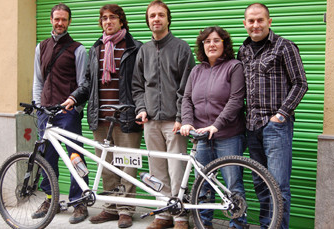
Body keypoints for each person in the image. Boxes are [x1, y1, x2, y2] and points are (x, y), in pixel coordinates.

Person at [237, 3, 308, 229]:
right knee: (260, 183)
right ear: (245, 24)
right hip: (251, 127)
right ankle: (268, 225)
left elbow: (300, 84)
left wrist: (281, 115)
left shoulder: (284, 47)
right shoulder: (243, 50)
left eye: (260, 20)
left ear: (269, 21)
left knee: (278, 186)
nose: (255, 25)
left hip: (275, 127)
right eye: (251, 21)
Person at [132, 1, 195, 228]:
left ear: (168, 19)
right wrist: (141, 109)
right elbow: (138, 85)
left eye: (160, 15)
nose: (156, 19)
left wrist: (180, 116)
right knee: (156, 169)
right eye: (152, 16)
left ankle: (180, 216)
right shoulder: (144, 51)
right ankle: (163, 213)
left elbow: (187, 87)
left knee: (176, 170)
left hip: (174, 122)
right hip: (150, 122)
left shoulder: (181, 48)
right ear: (148, 21)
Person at [180, 26, 246, 229]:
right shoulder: (196, 70)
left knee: (232, 185)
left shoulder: (234, 67)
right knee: (202, 184)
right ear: (202, 45)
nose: (212, 44)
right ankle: (203, 223)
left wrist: (216, 125)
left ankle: (238, 224)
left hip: (228, 136)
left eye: (216, 40)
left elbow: (236, 99)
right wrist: (187, 121)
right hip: (201, 137)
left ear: (224, 44)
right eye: (207, 41)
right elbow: (187, 98)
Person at [31, 3, 90, 224]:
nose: (60, 23)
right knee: (47, 157)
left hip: (68, 112)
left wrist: (76, 109)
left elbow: (83, 82)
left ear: (69, 22)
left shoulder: (78, 49)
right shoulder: (41, 47)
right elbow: (38, 79)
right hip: (46, 112)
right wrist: (38, 106)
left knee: (75, 156)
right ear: (51, 20)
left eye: (64, 19)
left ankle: (79, 201)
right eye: (56, 19)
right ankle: (50, 199)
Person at [86, 4, 143, 228]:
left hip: (126, 117)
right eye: (104, 18)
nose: (108, 22)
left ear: (121, 21)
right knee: (106, 164)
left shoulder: (135, 47)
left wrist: (140, 108)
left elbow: (141, 83)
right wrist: (73, 99)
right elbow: (88, 82)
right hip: (101, 118)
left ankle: (126, 210)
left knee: (128, 164)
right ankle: (110, 207)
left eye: (112, 18)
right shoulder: (96, 48)